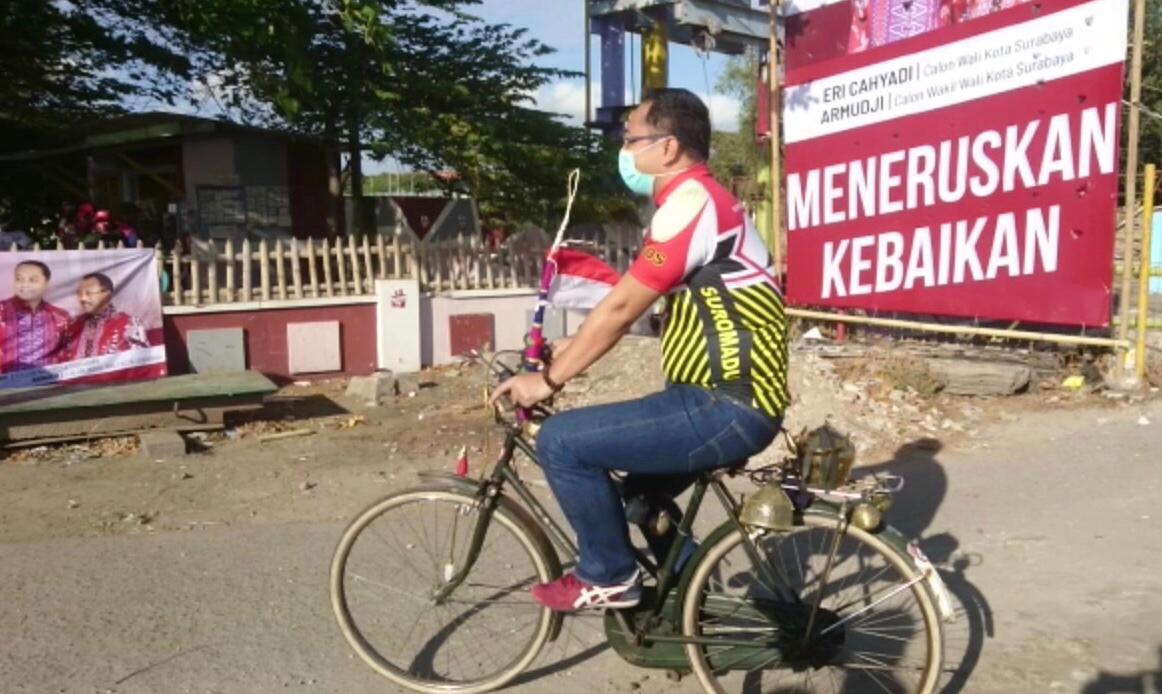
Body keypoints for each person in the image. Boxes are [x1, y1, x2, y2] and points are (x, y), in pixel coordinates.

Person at [490, 89, 789, 612]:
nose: (624, 151)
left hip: (723, 405)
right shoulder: (699, 205)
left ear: (667, 148)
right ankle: (698, 605)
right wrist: (570, 347)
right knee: (640, 495)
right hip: (724, 402)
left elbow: (621, 307)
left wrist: (547, 380)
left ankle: (607, 575)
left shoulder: (693, 204)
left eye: (631, 139)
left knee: (561, 441)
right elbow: (662, 312)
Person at [0, 260, 71, 371]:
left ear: (46, 283)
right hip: (5, 386)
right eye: (19, 279)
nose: (24, 284)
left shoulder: (60, 317)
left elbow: (67, 353)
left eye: (33, 280)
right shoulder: (2, 310)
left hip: (48, 385)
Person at [65, 272, 148, 360]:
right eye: (79, 293)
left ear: (106, 294)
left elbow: (143, 363)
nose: (82, 298)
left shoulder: (128, 323)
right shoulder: (73, 326)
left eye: (88, 293)